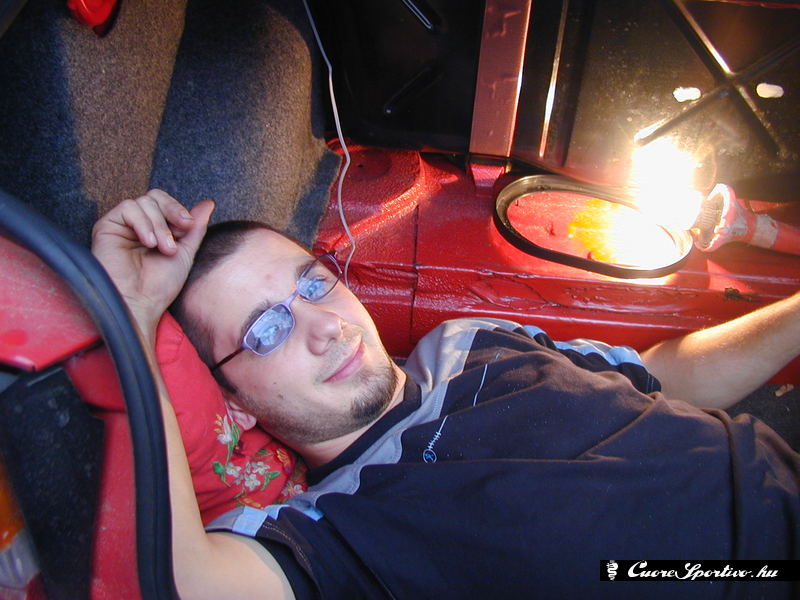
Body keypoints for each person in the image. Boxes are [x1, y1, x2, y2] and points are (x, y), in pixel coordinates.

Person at [91, 189, 800, 599]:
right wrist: (131, 315)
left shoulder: (470, 337)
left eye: (313, 284)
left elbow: (658, 375)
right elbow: (191, 584)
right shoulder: (328, 529)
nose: (325, 327)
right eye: (266, 330)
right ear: (236, 405)